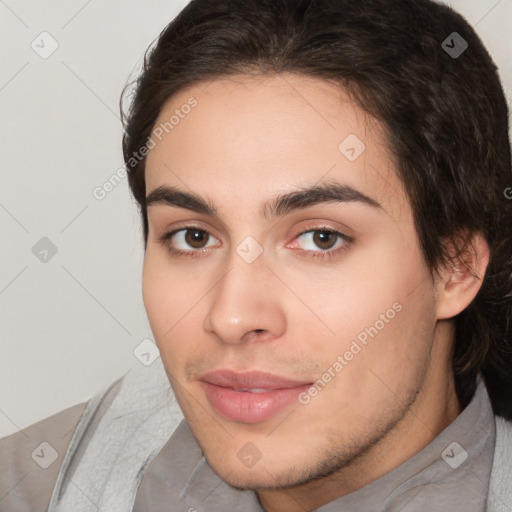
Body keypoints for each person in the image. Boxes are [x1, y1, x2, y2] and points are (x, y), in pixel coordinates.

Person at [2, 0, 512, 510]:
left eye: (320, 238)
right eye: (193, 237)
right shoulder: (38, 488)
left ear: (456, 266)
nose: (231, 316)